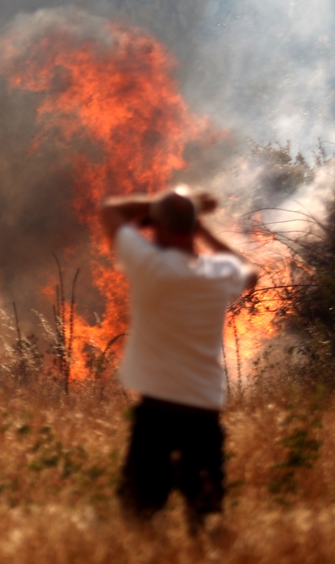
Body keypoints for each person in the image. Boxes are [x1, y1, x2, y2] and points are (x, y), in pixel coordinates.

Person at [99, 186, 258, 535]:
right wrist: (201, 227)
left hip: (157, 413)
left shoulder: (150, 265)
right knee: (206, 518)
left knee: (139, 517)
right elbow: (251, 273)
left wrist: (160, 206)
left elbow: (109, 208)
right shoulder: (219, 273)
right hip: (204, 414)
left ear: (157, 227)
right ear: (193, 228)